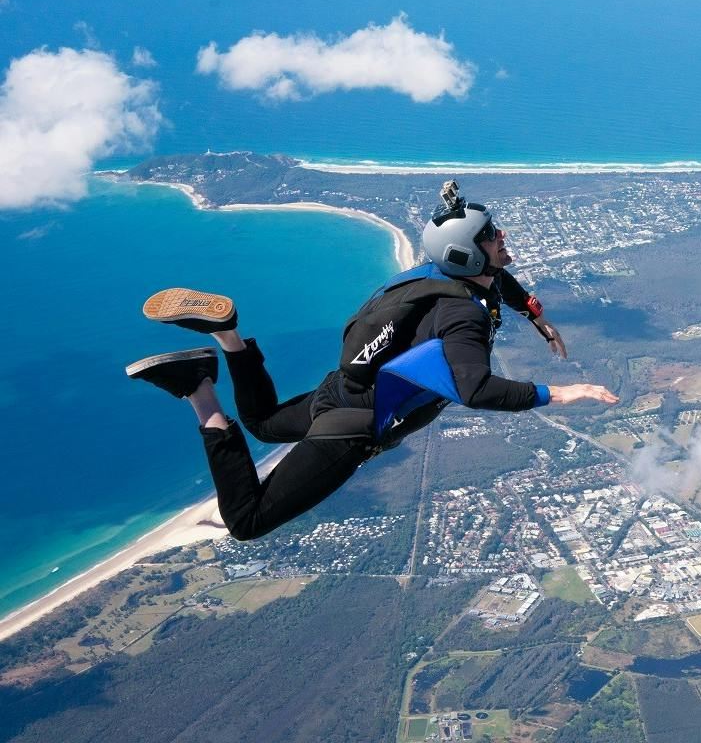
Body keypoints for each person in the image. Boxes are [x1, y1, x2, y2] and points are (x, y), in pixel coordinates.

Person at [124, 186, 619, 540]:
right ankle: (198, 389)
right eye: (490, 234)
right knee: (246, 522)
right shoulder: (462, 317)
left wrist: (535, 315)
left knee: (261, 423)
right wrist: (559, 393)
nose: (501, 235)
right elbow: (475, 389)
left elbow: (498, 282)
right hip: (353, 429)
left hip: (340, 389)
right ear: (468, 254)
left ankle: (228, 336)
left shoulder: (439, 277)